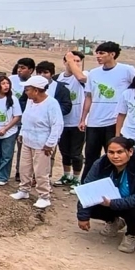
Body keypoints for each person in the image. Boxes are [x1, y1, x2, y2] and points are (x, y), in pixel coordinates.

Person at [77, 136, 135, 254]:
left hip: (131, 205)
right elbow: (87, 189)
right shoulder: (100, 164)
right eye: (111, 152)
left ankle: (130, 235)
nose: (115, 156)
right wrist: (82, 217)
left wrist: (114, 203)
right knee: (91, 206)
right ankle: (113, 221)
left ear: (130, 151)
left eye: (120, 152)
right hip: (109, 202)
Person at [79, 41, 135, 184]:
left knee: (114, 156)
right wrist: (83, 119)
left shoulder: (127, 70)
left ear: (112, 54)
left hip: (113, 122)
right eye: (97, 53)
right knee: (91, 156)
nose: (98, 56)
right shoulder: (93, 73)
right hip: (94, 121)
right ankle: (86, 183)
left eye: (102, 53)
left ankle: (114, 184)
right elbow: (89, 97)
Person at [10, 75, 64, 209]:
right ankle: (24, 190)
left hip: (42, 143)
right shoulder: (30, 101)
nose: (26, 92)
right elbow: (26, 118)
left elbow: (57, 125)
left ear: (36, 90)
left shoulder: (51, 104)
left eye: (28, 89)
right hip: (28, 140)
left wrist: (50, 143)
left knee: (40, 171)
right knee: (24, 167)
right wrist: (22, 133)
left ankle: (44, 196)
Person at [54, 51, 89, 189]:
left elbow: (81, 78)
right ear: (64, 62)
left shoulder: (84, 77)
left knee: (76, 152)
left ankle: (76, 178)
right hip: (62, 122)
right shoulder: (58, 79)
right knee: (64, 151)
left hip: (78, 122)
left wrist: (83, 120)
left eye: (78, 61)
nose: (75, 64)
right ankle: (66, 175)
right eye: (71, 61)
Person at [10, 57, 35, 182]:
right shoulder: (11, 80)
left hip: (24, 123)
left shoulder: (34, 85)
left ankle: (20, 172)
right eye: (19, 67)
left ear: (30, 70)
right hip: (9, 122)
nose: (19, 70)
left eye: (23, 68)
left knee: (23, 149)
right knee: (8, 148)